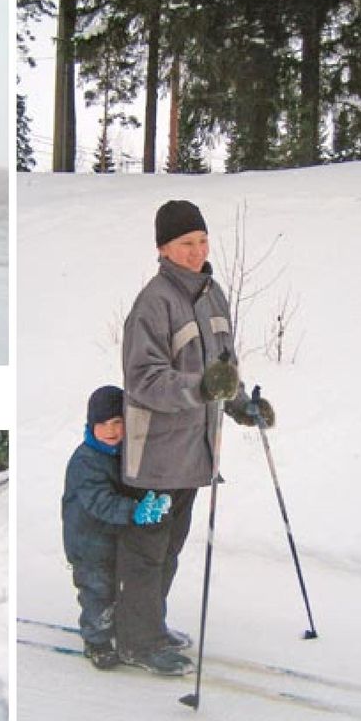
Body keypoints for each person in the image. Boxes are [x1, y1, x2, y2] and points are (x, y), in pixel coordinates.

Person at [119, 199, 274, 676]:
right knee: (147, 551)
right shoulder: (153, 302)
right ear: (163, 248)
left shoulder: (213, 294)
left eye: (202, 241)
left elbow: (223, 367)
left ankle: (151, 626)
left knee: (170, 547)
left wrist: (239, 402)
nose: (196, 250)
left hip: (194, 450)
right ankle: (136, 641)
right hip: (156, 451)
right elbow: (142, 380)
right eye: (186, 243)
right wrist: (200, 389)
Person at [61, 385, 173, 671]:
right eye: (102, 424)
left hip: (112, 539)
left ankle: (121, 630)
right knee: (96, 591)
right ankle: (96, 640)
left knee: (116, 588)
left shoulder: (120, 454)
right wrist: (134, 511)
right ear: (91, 426)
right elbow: (100, 502)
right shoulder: (85, 460)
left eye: (117, 423)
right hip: (88, 544)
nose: (110, 431)